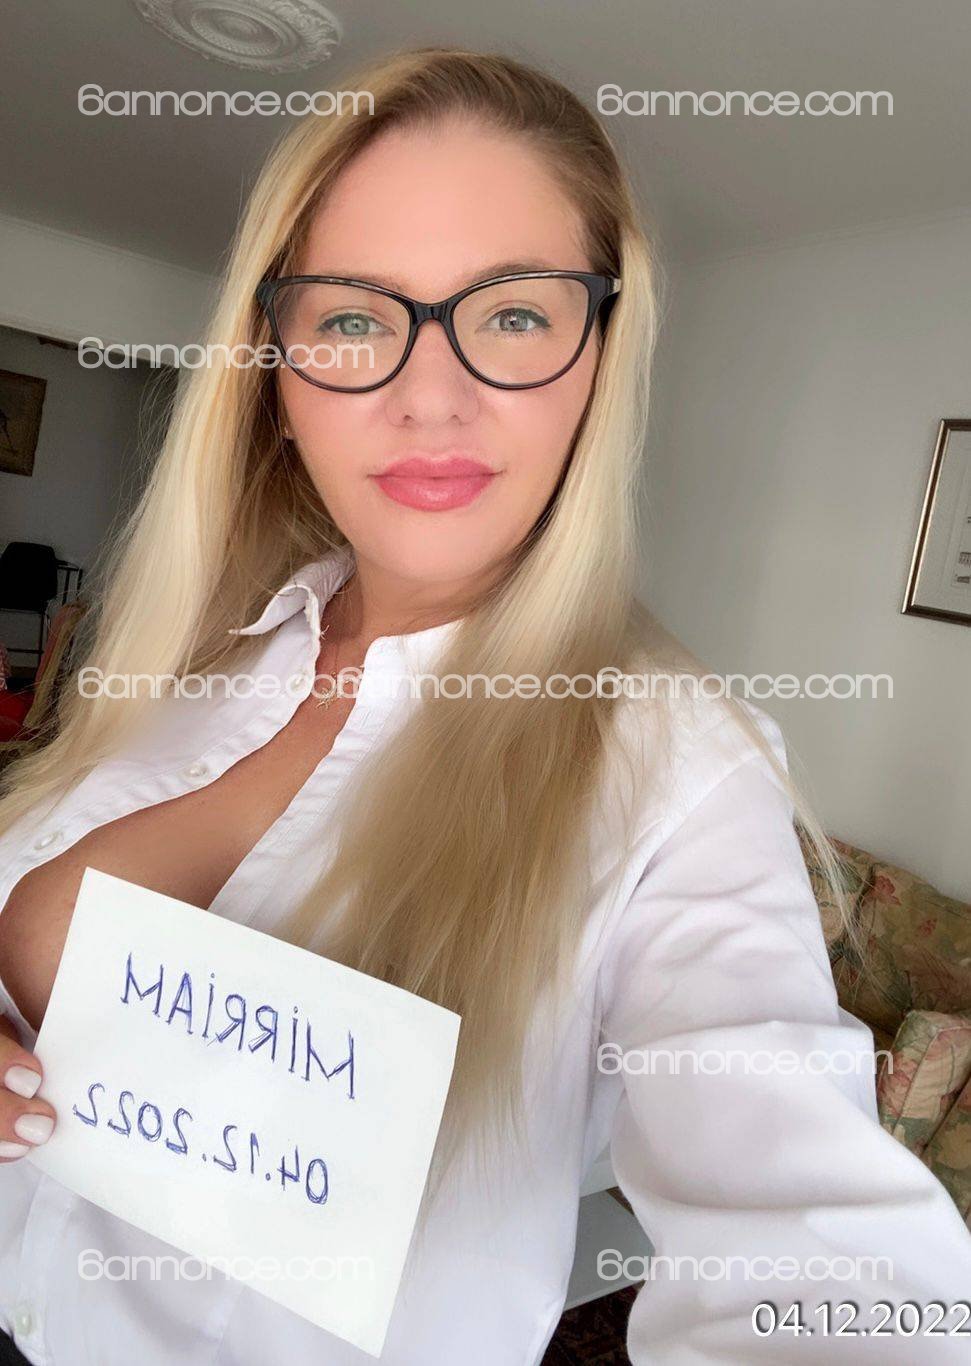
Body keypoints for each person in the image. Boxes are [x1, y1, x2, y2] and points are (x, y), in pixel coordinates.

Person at [0, 46, 969, 1366]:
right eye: (354, 317)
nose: (430, 396)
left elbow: (829, 1258)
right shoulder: (205, 643)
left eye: (513, 314)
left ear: (599, 358)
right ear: (275, 364)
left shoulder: (681, 771)